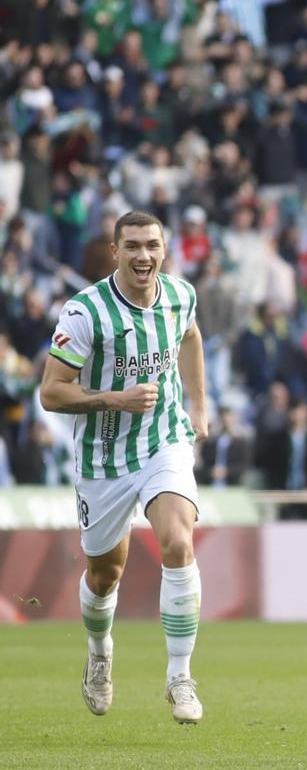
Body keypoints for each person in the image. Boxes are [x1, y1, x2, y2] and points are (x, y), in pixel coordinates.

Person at [39, 210, 210, 724]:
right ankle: (99, 651)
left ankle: (179, 676)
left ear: (165, 249)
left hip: (164, 441)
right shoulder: (84, 313)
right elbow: (51, 392)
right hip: (103, 456)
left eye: (152, 245)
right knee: (104, 573)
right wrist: (115, 398)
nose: (143, 256)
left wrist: (199, 407)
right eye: (132, 246)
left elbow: (191, 338)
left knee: (178, 541)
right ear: (115, 252)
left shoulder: (180, 295)